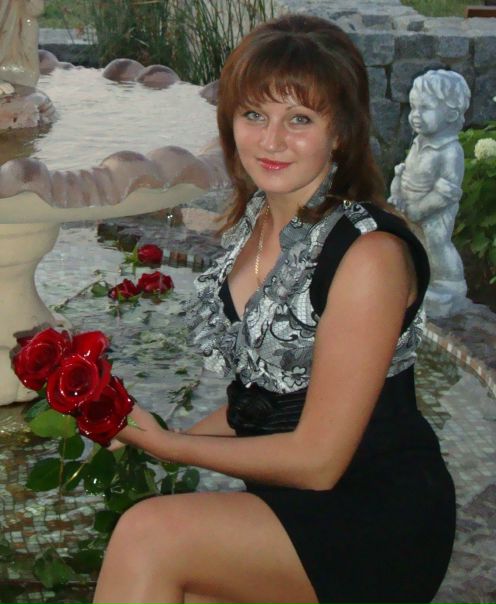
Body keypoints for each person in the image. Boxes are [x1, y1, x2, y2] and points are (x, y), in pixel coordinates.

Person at [93, 14, 456, 604]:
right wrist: (147, 431)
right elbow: (265, 401)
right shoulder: (258, 224)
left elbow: (318, 462)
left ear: (341, 132)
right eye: (254, 114)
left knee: (148, 535)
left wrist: (168, 447)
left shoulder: (369, 255)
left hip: (375, 515)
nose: (271, 140)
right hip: (286, 504)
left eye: (300, 119)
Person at [389, 69, 471, 314]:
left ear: (451, 113)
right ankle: (421, 278)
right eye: (414, 107)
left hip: (435, 210)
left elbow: (447, 192)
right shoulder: (420, 141)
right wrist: (398, 193)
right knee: (414, 241)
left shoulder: (450, 151)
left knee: (436, 242)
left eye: (425, 108)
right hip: (410, 205)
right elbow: (407, 172)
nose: (415, 115)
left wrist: (421, 208)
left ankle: (449, 284)